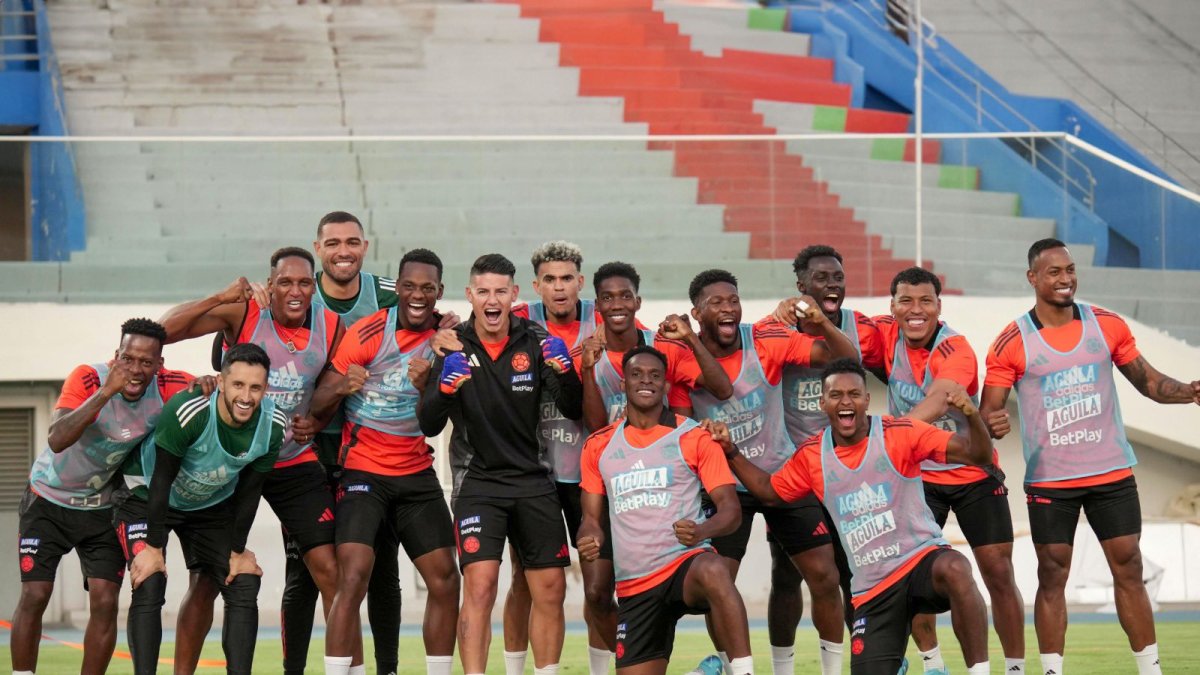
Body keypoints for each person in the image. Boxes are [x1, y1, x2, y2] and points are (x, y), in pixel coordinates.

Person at [981, 238, 1200, 675]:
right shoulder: (1011, 341)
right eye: (1054, 272)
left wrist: (1189, 392)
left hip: (1111, 473)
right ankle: (1050, 670)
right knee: (1052, 574)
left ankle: (1150, 669)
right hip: (1050, 481)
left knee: (1129, 567)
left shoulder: (1106, 325)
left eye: (1070, 270)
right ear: (1033, 278)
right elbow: (990, 408)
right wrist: (993, 421)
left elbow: (1149, 383)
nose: (1065, 279)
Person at [727, 358, 993, 674]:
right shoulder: (812, 457)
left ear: (867, 400)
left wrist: (972, 415)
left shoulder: (901, 433)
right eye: (836, 395)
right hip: (873, 591)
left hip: (919, 563)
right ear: (822, 402)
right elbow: (769, 491)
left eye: (854, 393)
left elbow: (979, 455)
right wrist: (730, 451)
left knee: (955, 567)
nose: (846, 401)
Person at [159, 246, 348, 669]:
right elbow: (163, 332)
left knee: (332, 572)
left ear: (314, 287)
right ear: (271, 285)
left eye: (304, 282)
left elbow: (329, 389)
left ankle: (344, 668)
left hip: (291, 460)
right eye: (285, 282)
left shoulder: (331, 326)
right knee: (208, 581)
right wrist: (219, 298)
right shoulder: (244, 313)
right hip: (231, 460)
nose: (295, 291)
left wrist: (317, 421)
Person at [673, 269, 858, 675]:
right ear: (696, 313)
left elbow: (843, 359)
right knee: (716, 583)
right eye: (716, 303)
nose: (728, 308)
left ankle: (824, 670)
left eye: (733, 300)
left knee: (824, 576)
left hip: (781, 476)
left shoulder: (766, 338)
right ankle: (728, 666)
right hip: (725, 485)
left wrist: (822, 323)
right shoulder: (681, 356)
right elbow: (681, 430)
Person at [418, 253, 583, 675]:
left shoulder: (535, 338)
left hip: (533, 481)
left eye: (500, 291)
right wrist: (443, 388)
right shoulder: (453, 343)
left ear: (514, 294)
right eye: (483, 291)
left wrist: (566, 373)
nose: (492, 300)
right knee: (481, 585)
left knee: (549, 588)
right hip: (479, 484)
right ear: (471, 295)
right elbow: (429, 421)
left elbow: (573, 407)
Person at [11, 319, 200, 675]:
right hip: (48, 500)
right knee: (35, 595)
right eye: (128, 359)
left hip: (102, 508)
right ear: (116, 356)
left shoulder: (170, 385)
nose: (136, 370)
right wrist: (104, 393)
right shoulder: (88, 378)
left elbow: (218, 392)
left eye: (147, 362)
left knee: (104, 599)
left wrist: (209, 384)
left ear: (160, 365)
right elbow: (57, 438)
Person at [310, 248, 459, 675]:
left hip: (415, 472)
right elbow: (318, 404)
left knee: (446, 579)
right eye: (409, 286)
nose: (417, 295)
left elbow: (448, 413)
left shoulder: (447, 340)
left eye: (427, 288)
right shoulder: (368, 331)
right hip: (363, 473)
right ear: (399, 287)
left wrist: (432, 378)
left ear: (439, 293)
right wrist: (341, 385)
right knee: (352, 576)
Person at [873, 266, 1024, 675]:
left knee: (998, 573)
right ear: (893, 307)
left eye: (926, 301)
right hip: (919, 479)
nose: (916, 309)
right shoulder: (884, 335)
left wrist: (890, 438)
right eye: (906, 301)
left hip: (972, 474)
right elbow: (835, 331)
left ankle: (1014, 669)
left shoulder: (955, 348)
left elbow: (941, 399)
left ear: (940, 307)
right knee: (912, 578)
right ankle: (933, 666)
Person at [577, 346, 754, 675]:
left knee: (715, 570)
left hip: (683, 565)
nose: (646, 381)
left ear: (666, 385)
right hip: (635, 584)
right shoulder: (599, 445)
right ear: (623, 384)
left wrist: (702, 531)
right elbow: (590, 520)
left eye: (655, 375)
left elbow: (731, 511)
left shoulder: (694, 437)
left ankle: (744, 671)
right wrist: (589, 537)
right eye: (637, 375)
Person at [114, 343, 286, 675]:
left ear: (266, 389)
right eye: (238, 385)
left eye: (255, 387)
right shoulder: (189, 410)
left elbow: (251, 490)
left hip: (205, 506)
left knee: (244, 578)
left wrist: (237, 550)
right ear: (221, 382)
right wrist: (152, 547)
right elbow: (162, 479)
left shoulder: (272, 424)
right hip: (146, 495)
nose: (246, 396)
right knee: (149, 579)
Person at [761, 245, 885, 674]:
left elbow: (861, 362)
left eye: (837, 276)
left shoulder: (861, 328)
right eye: (820, 277)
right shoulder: (777, 327)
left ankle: (864, 661)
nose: (831, 284)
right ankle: (783, 667)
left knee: (856, 573)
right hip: (798, 468)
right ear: (801, 285)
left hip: (850, 468)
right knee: (787, 574)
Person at [293, 210, 406, 675]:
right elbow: (237, 347)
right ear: (318, 249)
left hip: (374, 451)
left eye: (353, 242)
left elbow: (432, 322)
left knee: (382, 572)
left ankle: (388, 669)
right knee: (303, 574)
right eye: (333, 242)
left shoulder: (389, 296)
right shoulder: (298, 293)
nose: (344, 250)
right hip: (309, 450)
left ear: (365, 246)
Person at [501, 240, 614, 675]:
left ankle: (600, 670)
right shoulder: (517, 320)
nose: (559, 287)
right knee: (523, 582)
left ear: (580, 282)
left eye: (567, 278)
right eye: (550, 279)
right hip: (535, 477)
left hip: (591, 479)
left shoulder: (607, 320)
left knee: (597, 586)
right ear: (535, 286)